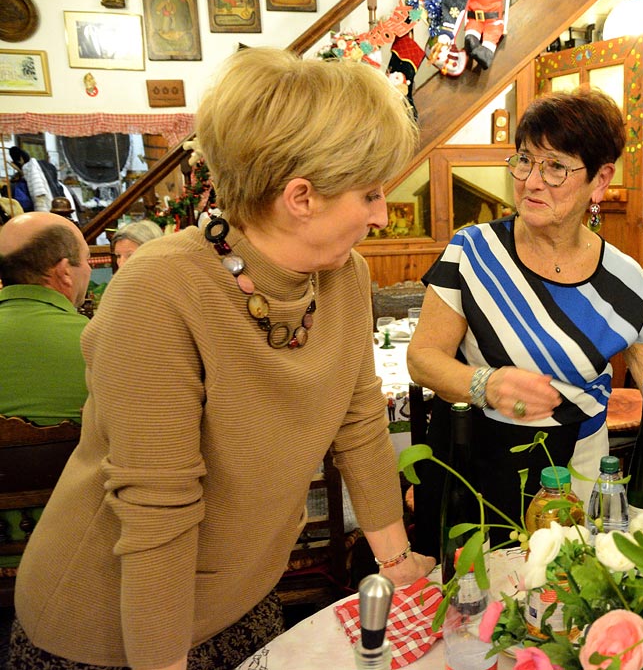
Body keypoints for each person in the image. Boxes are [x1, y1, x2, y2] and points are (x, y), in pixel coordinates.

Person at [9, 47, 434, 670]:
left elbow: (362, 423)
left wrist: (395, 564)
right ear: (300, 197)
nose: (380, 213)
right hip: (116, 625)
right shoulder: (159, 290)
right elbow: (159, 508)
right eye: (370, 193)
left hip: (241, 597)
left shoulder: (342, 277)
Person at [408, 88, 643, 558]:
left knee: (565, 593)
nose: (531, 182)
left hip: (576, 473)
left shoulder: (627, 285)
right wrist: (487, 384)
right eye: (525, 160)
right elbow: (422, 359)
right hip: (476, 461)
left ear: (599, 182)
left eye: (556, 166)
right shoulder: (473, 251)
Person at [0, 211, 91, 425]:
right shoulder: (102, 341)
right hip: (76, 458)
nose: (90, 268)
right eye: (87, 259)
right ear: (64, 271)